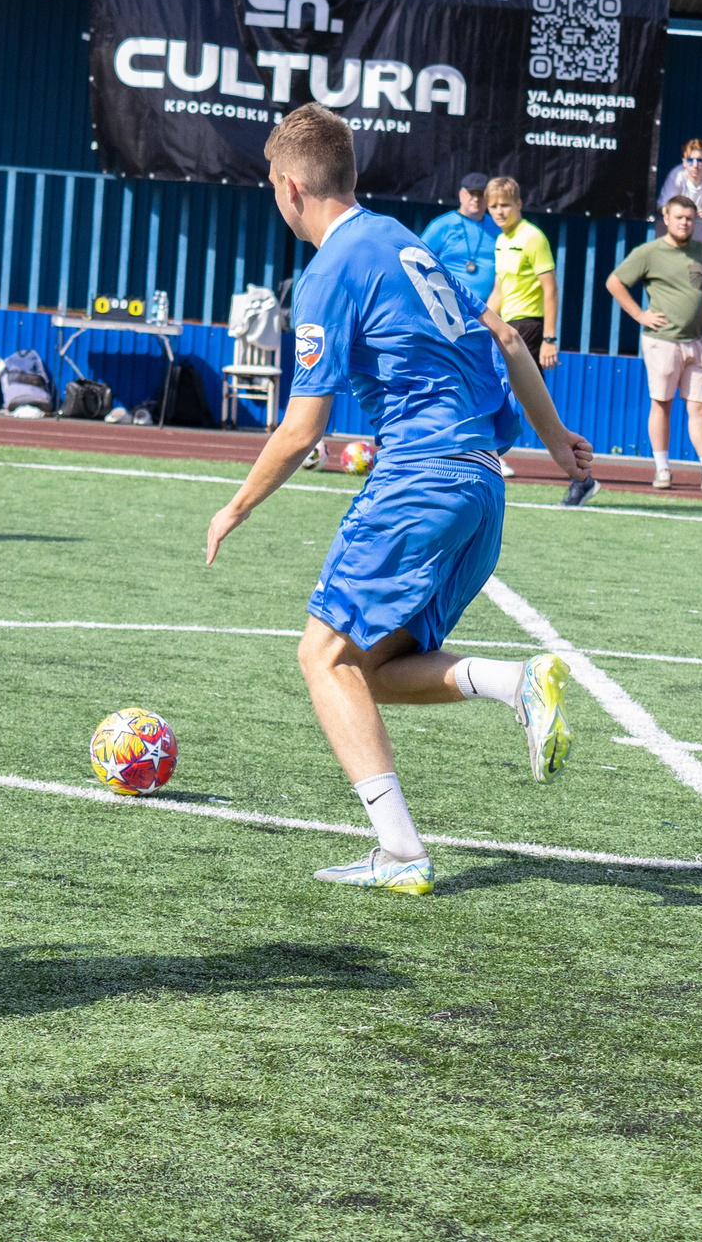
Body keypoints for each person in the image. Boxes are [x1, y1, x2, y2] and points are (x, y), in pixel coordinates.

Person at [203, 104, 595, 897]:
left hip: (420, 476)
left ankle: (401, 849)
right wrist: (556, 441)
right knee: (370, 667)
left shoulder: (328, 271)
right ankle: (515, 683)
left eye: (272, 185)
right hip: (482, 483)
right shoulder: (407, 242)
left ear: (290, 187)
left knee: (321, 655)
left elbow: (303, 426)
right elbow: (508, 338)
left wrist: (234, 507)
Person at [605, 194, 702, 494]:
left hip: (698, 343)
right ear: (666, 219)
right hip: (662, 342)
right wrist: (640, 314)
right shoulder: (649, 252)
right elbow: (614, 282)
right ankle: (662, 470)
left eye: (690, 218)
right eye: (679, 217)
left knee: (700, 409)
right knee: (662, 404)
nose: (684, 223)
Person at [486, 176, 558, 369]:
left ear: (518, 204)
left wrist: (549, 339)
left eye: (505, 205)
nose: (499, 212)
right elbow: (498, 291)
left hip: (530, 324)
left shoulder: (533, 237)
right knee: (516, 383)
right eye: (493, 206)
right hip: (509, 324)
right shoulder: (501, 240)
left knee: (521, 383)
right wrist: (480, 324)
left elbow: (550, 289)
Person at [420, 170, 498, 310]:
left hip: (489, 310)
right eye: (472, 193)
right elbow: (418, 259)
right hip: (448, 307)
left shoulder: (497, 227)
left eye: (481, 194)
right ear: (461, 195)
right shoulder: (442, 225)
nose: (476, 199)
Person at [652, 138, 702, 240]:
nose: (695, 165)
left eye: (700, 160)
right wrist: (683, 212)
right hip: (667, 237)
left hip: (695, 241)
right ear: (684, 162)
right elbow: (661, 207)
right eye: (690, 160)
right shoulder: (677, 175)